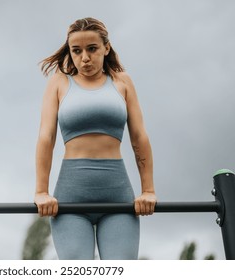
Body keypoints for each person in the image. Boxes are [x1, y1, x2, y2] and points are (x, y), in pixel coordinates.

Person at [34, 17, 157, 260]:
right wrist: (41, 192)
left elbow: (139, 136)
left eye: (92, 49)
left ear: (106, 48)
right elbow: (46, 137)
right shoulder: (59, 82)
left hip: (117, 196)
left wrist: (148, 190)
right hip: (71, 198)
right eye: (76, 51)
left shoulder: (122, 82)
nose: (85, 58)